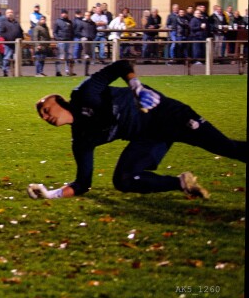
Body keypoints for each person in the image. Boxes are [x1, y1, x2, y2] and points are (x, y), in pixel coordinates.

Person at [30, 60, 247, 200]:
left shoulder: (84, 93)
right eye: (42, 116)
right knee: (123, 180)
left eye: (47, 109)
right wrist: (50, 195)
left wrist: (136, 87)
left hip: (167, 114)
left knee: (226, 147)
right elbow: (82, 184)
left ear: (61, 101)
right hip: (149, 137)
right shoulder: (82, 139)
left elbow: (121, 65)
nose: (45, 116)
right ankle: (181, 183)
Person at [0, 9, 24, 77]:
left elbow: (21, 31)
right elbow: (1, 33)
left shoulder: (16, 22)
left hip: (17, 44)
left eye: (11, 12)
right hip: (8, 44)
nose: (10, 14)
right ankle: (5, 71)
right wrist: (8, 38)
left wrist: (21, 38)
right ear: (6, 14)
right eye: (8, 13)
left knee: (16, 58)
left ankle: (16, 72)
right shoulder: (3, 23)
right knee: (7, 58)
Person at [52, 9, 74, 77]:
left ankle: (67, 71)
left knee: (68, 56)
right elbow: (55, 32)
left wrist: (71, 39)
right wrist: (57, 39)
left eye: (65, 13)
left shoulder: (69, 22)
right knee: (60, 56)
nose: (64, 14)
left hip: (68, 41)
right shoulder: (58, 21)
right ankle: (58, 71)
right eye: (63, 13)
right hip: (61, 41)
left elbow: (72, 31)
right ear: (61, 14)